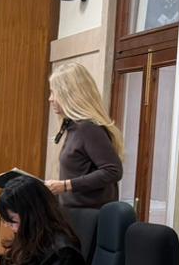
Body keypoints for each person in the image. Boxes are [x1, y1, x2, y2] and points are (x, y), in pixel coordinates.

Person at [45, 62, 123, 209]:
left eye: (54, 93)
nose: (50, 99)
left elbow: (113, 171)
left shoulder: (88, 128)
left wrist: (66, 185)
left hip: (88, 216)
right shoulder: (72, 127)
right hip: (72, 213)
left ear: (69, 94)